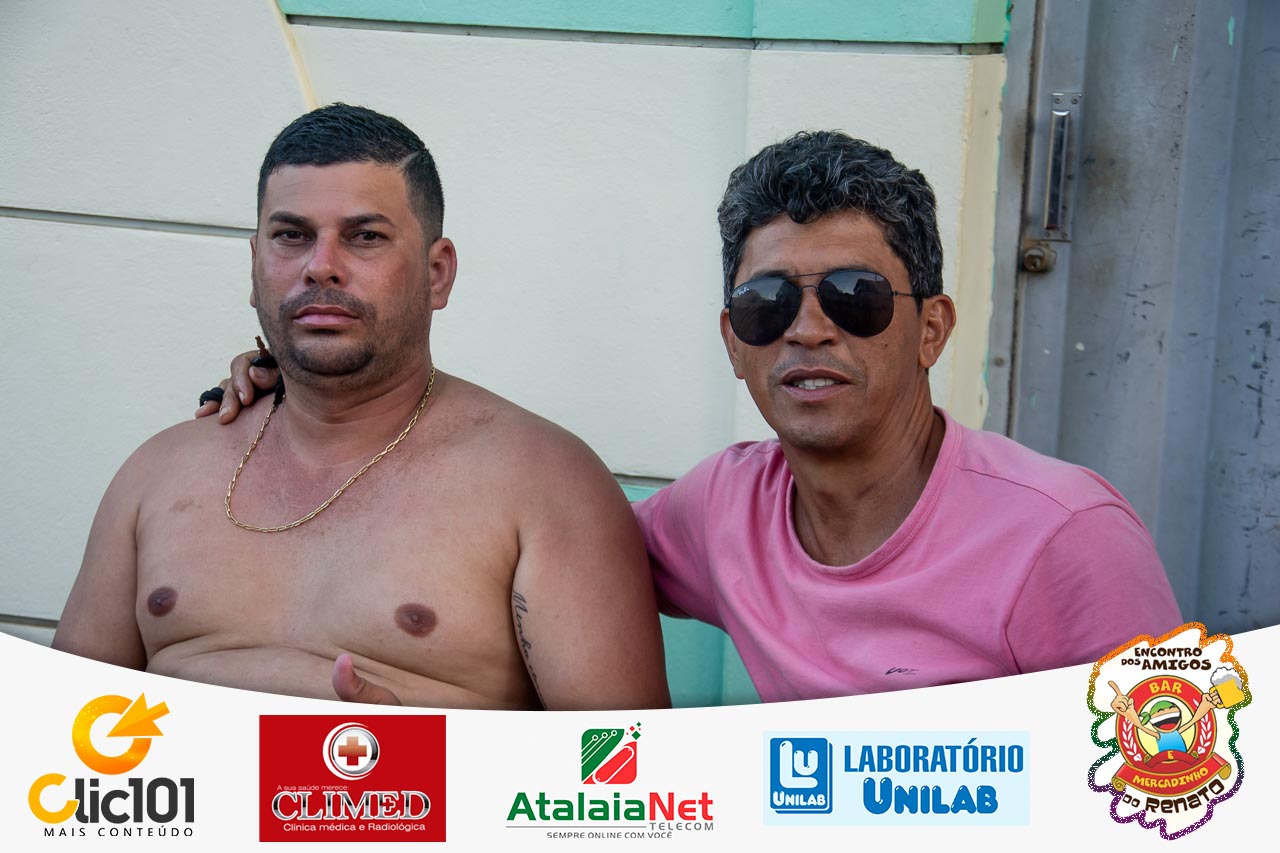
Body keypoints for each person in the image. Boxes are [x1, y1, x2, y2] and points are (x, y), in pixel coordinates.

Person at [201, 130, 1184, 703]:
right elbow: (522, 577)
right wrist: (310, 398)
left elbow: (1184, 793)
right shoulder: (722, 509)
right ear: (732, 340)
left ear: (930, 328)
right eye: (768, 302)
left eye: (853, 297)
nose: (807, 330)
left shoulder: (1064, 536)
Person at [53, 104, 671, 711]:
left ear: (437, 273)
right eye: (292, 236)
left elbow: (622, 768)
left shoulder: (544, 482)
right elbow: (62, 731)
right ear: (255, 265)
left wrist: (412, 762)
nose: (320, 267)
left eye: (365, 237)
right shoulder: (159, 472)